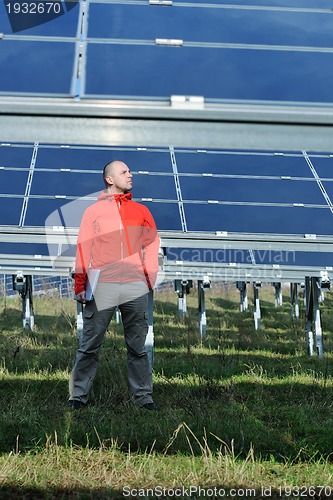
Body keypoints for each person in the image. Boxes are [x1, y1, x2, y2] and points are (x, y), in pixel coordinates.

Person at [67, 160, 160, 411]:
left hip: (134, 286)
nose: (131, 175)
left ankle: (143, 397)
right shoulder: (93, 213)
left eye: (130, 171)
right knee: (89, 345)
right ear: (110, 179)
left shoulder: (141, 211)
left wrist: (148, 277)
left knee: (139, 346)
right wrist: (80, 284)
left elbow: (152, 245)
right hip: (102, 285)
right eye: (124, 172)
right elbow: (83, 249)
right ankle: (77, 396)